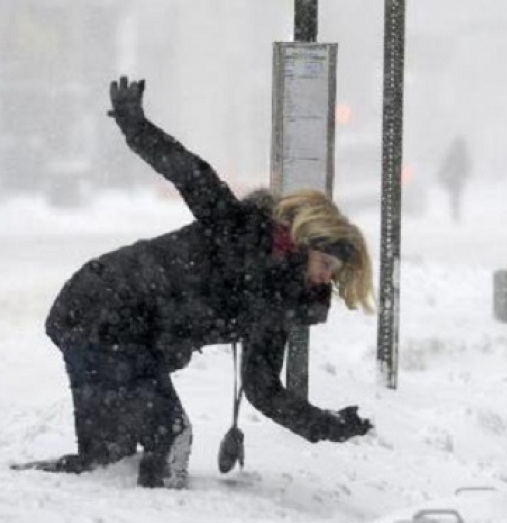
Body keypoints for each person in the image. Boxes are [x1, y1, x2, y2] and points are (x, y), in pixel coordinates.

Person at [44, 76, 375, 489]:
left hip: (124, 331)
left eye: (335, 272)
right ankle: (141, 522)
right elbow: (188, 172)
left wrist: (327, 425)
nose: (327, 277)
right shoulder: (239, 229)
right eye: (325, 262)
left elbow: (264, 388)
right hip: (99, 304)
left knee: (111, 458)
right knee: (168, 440)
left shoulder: (277, 304)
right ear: (303, 243)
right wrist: (135, 126)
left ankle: (93, 503)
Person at [438, 135, 471, 223]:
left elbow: (445, 165)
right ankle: (455, 213)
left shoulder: (453, 153)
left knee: (454, 196)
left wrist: (442, 175)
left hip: (452, 178)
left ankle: (455, 213)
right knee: (456, 196)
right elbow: (467, 167)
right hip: (457, 178)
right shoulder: (463, 154)